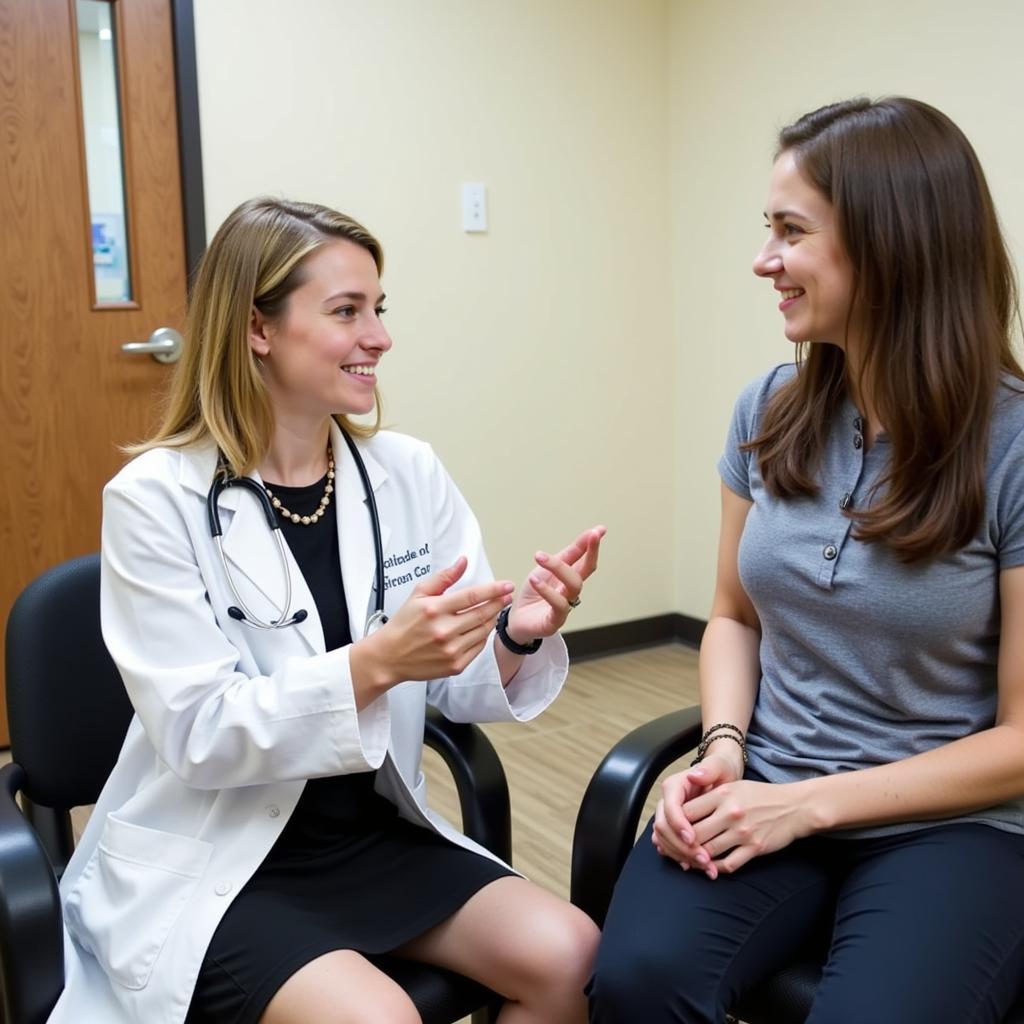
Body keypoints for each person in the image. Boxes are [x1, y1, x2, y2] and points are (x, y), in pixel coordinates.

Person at [48, 197, 605, 1024]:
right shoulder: (153, 501)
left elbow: (454, 685)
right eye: (347, 311)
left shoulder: (406, 473)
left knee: (568, 952)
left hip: (371, 827)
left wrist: (513, 632)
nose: (379, 336)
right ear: (257, 329)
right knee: (378, 1017)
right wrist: (380, 661)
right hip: (223, 855)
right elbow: (200, 731)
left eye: (378, 309)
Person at [588, 97, 1024, 1023]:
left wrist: (812, 807)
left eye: (790, 232)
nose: (763, 260)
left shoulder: (1013, 447)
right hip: (769, 783)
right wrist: (722, 753)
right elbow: (733, 617)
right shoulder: (770, 408)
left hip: (953, 827)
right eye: (767, 229)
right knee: (633, 982)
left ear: (890, 246)